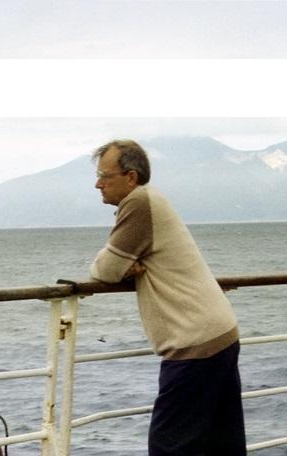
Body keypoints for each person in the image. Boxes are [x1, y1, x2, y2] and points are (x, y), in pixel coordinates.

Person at [90, 139, 246, 455]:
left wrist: (121, 266)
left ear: (130, 177)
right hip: (219, 333)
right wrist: (124, 265)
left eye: (104, 176)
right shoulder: (150, 199)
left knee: (169, 446)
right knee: (221, 445)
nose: (98, 184)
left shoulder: (138, 202)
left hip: (194, 343)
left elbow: (104, 270)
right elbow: (117, 264)